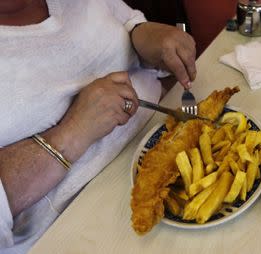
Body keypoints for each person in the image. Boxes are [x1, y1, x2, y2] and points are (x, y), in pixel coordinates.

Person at [0, 0, 197, 252]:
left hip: (168, 141)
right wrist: (72, 132)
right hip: (90, 231)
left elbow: (124, 21)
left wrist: (145, 33)